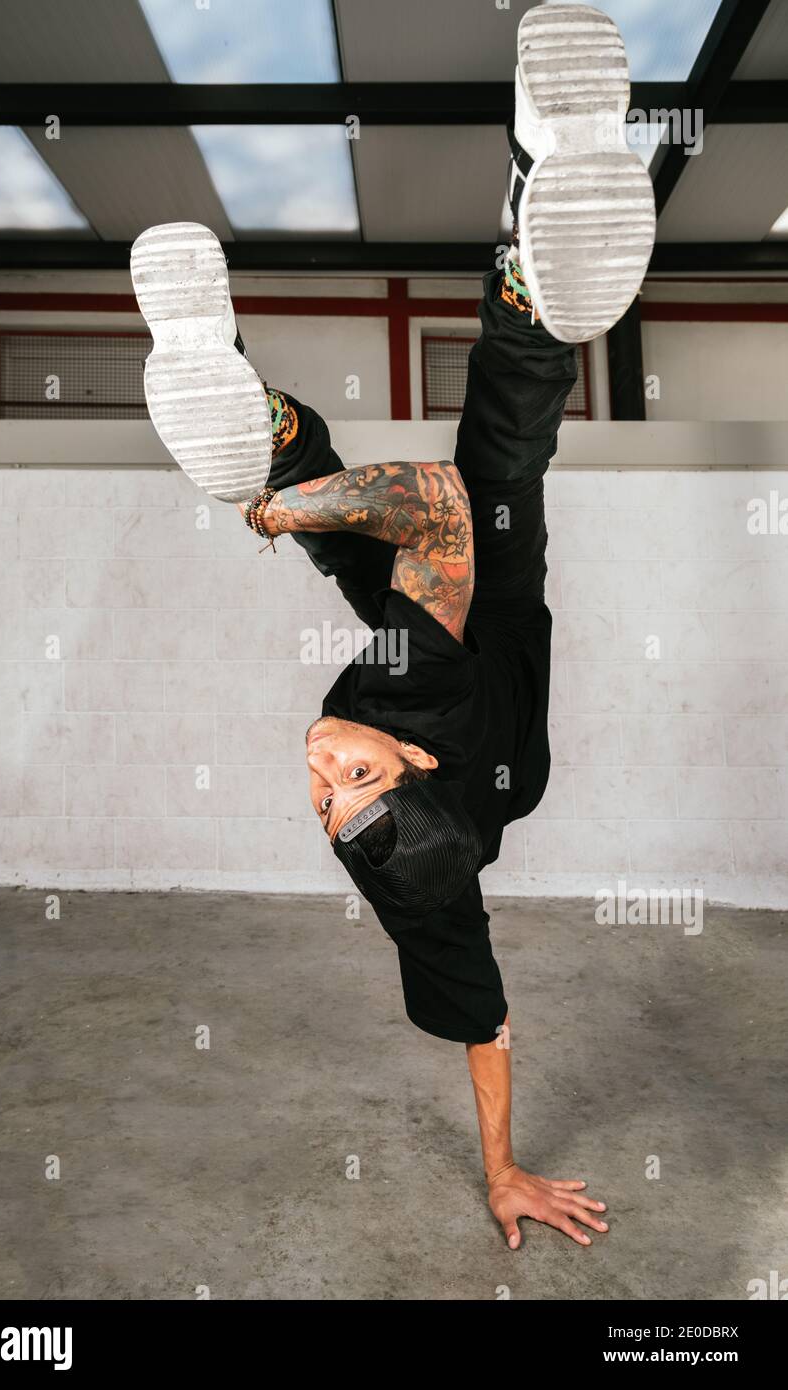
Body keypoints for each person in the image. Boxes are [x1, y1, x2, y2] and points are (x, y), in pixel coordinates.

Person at [131, 3, 655, 1247]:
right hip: (486, 610)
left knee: (350, 557)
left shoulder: (419, 882)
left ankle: (243, 404)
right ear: (410, 756)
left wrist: (504, 1172)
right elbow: (427, 504)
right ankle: (537, 210)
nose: (319, 764)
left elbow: (487, 1028)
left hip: (468, 714)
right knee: (490, 466)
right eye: (349, 770)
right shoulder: (420, 695)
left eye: (322, 797)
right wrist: (284, 507)